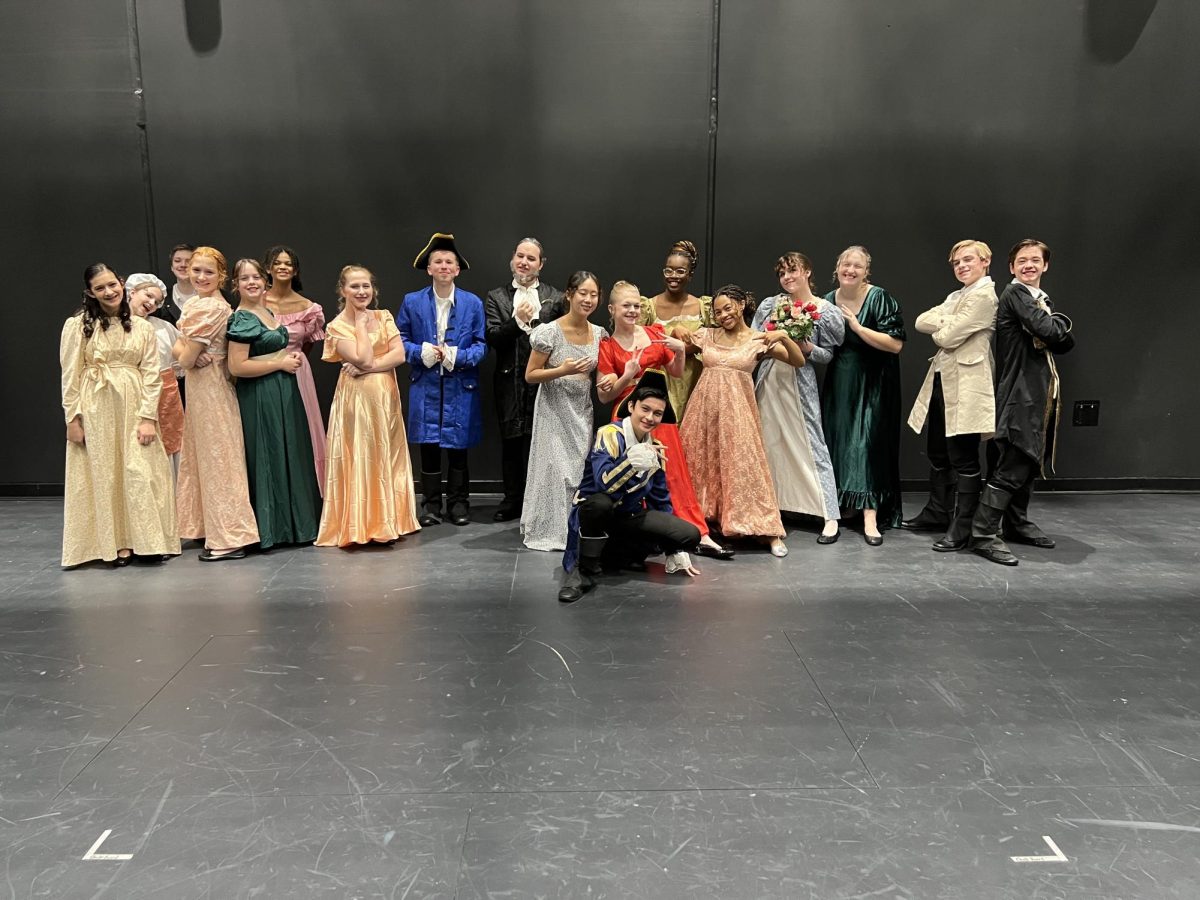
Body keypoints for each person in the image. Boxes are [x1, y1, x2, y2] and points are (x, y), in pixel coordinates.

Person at [597, 280, 733, 560]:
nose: (633, 310)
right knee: (632, 473)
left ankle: (695, 532)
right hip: (628, 417)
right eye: (627, 305)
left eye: (636, 305)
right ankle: (645, 537)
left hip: (660, 416)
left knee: (673, 475)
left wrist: (680, 350)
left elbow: (675, 371)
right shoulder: (608, 347)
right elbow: (604, 396)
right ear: (612, 309)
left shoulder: (654, 332)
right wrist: (627, 374)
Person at [60, 264, 179, 567]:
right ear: (90, 292)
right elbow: (69, 375)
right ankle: (115, 543)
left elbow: (152, 373)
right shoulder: (77, 326)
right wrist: (72, 419)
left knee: (139, 471)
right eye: (100, 288)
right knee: (105, 472)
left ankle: (146, 539)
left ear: (122, 284)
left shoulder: (141, 327)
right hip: (96, 405)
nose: (109, 292)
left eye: (112, 284)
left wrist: (148, 417)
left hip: (134, 403)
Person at [680, 285, 805, 556]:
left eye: (728, 308)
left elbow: (798, 361)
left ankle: (767, 532)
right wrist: (678, 332)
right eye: (717, 311)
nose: (723, 315)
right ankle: (705, 521)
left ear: (740, 305)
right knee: (701, 465)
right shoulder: (708, 335)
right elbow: (679, 345)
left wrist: (782, 336)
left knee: (744, 467)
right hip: (703, 411)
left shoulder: (758, 339)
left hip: (738, 414)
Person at [971, 239, 1074, 566]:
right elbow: (1052, 331)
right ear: (1012, 267)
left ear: (1045, 265)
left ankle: (1017, 524)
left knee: (1028, 463)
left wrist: (1054, 329)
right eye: (1022, 261)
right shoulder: (1016, 294)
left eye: (1035, 260)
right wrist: (1055, 326)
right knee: (1014, 463)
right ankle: (984, 534)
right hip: (1018, 394)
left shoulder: (1037, 299)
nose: (1029, 265)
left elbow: (1063, 343)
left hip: (1035, 396)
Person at [558, 385, 702, 603]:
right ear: (632, 406)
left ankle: (619, 556)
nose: (650, 417)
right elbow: (603, 483)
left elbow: (659, 498)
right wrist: (631, 462)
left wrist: (673, 547)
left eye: (657, 413)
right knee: (600, 504)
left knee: (688, 534)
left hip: (626, 517)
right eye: (645, 409)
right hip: (594, 516)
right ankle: (583, 572)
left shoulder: (656, 446)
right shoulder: (609, 434)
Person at [316, 266, 421, 547]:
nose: (362, 292)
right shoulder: (337, 326)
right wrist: (361, 327)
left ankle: (390, 519)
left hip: (385, 397)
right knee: (362, 453)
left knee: (387, 452)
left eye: (366, 286)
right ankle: (361, 523)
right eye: (355, 287)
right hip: (357, 400)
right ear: (343, 290)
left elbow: (398, 355)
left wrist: (367, 368)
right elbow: (361, 356)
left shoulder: (384, 315)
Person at [904, 240, 999, 552]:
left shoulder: (985, 295)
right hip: (944, 380)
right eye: (957, 262)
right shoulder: (957, 296)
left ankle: (963, 524)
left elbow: (945, 335)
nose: (961, 266)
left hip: (969, 383)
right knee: (938, 451)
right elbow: (920, 321)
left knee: (963, 455)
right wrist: (950, 320)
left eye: (968, 260)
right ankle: (937, 511)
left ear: (985, 261)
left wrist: (946, 323)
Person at [751, 252, 846, 544]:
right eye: (782, 274)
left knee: (812, 442)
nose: (787, 278)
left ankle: (830, 515)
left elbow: (828, 354)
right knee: (767, 440)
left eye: (793, 271)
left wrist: (807, 348)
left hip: (799, 382)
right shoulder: (772, 305)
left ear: (806, 271)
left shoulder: (825, 310)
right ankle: (772, 506)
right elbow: (754, 338)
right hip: (770, 378)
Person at [226, 258, 321, 549]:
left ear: (265, 280)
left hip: (283, 391)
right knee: (268, 454)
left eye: (256, 277)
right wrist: (278, 363)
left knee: (288, 450)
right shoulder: (242, 317)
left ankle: (295, 526)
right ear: (236, 285)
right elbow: (237, 366)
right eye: (244, 279)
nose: (252, 282)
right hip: (260, 394)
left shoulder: (265, 311)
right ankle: (272, 529)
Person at [173, 246, 260, 560]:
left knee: (219, 459)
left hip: (212, 390)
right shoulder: (197, 303)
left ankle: (231, 536)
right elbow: (179, 351)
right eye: (196, 270)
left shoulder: (211, 309)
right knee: (200, 457)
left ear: (221, 276)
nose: (200, 277)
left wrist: (188, 353)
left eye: (208, 272)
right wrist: (186, 352)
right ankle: (205, 526)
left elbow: (183, 356)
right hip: (199, 391)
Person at [397, 233, 487, 527]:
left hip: (461, 385)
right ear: (430, 268)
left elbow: (480, 345)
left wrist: (456, 356)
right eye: (439, 261)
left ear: (457, 269)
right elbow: (399, 340)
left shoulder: (473, 304)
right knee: (429, 447)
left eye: (450, 261)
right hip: (426, 384)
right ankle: (431, 504)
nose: (444, 266)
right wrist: (420, 352)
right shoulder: (412, 302)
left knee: (458, 448)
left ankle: (460, 503)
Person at [821, 246, 906, 544]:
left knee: (866, 445)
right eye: (846, 264)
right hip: (841, 380)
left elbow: (895, 345)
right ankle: (843, 506)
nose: (850, 270)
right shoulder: (827, 301)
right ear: (837, 267)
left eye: (857, 266)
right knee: (839, 440)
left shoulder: (879, 297)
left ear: (866, 271)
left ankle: (870, 515)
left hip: (874, 381)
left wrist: (857, 327)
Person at [521, 271, 608, 551]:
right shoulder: (549, 332)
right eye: (583, 293)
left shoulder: (599, 334)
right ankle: (550, 530)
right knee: (555, 470)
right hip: (553, 409)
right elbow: (531, 375)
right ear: (569, 294)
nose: (588, 299)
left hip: (581, 411)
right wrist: (562, 370)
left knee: (576, 471)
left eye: (594, 294)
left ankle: (573, 529)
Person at [484, 238, 565, 522]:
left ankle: (539, 500)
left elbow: (563, 336)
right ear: (512, 260)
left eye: (531, 258)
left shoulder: (555, 297)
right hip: (508, 381)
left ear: (541, 265)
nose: (524, 262)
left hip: (544, 381)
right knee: (511, 442)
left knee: (540, 440)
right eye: (520, 256)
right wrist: (517, 321)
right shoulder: (497, 297)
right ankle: (513, 500)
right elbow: (493, 337)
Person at [263, 244, 328, 495]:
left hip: (298, 372)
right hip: (263, 371)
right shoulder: (256, 301)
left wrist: (295, 359)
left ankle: (307, 491)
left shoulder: (309, 308)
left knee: (300, 430)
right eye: (277, 263)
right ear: (268, 268)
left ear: (295, 270)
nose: (282, 267)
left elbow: (309, 343)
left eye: (288, 263)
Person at [638, 239, 714, 420]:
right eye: (669, 270)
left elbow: (714, 342)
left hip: (695, 382)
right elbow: (639, 343)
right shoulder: (648, 306)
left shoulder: (703, 306)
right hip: (660, 381)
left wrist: (689, 347)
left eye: (680, 271)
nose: (674, 275)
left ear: (690, 275)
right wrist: (674, 339)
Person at [126, 273, 185, 475]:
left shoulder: (163, 328)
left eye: (157, 301)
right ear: (132, 292)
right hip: (132, 394)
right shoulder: (115, 326)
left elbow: (180, 359)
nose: (152, 303)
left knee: (168, 444)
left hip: (165, 395)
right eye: (148, 295)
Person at [155, 243, 195, 326]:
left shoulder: (210, 297)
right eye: (177, 261)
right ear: (172, 267)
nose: (183, 265)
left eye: (188, 261)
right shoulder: (162, 299)